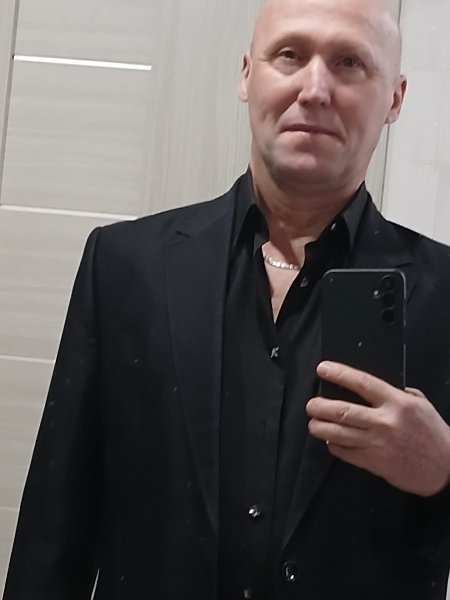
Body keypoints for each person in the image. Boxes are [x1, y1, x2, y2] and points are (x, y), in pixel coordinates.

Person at [3, 0, 450, 598]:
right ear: (247, 74)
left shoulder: (444, 293)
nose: (315, 89)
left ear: (394, 98)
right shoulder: (126, 267)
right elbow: (54, 528)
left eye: (349, 63)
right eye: (289, 55)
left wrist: (445, 468)